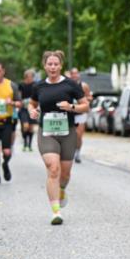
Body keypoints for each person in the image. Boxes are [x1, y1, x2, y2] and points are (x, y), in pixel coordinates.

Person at [30, 51, 89, 224]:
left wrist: (71, 106)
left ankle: (62, 189)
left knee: (64, 174)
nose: (53, 67)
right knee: (53, 168)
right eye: (50, 64)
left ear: (60, 66)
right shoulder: (39, 86)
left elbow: (85, 106)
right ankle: (56, 212)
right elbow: (32, 103)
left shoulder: (71, 85)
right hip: (47, 132)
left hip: (67, 132)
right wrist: (32, 111)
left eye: (56, 64)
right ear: (45, 66)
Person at [67, 68, 92, 163]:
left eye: (76, 73)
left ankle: (77, 153)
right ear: (70, 75)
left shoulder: (84, 86)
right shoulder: (67, 85)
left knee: (78, 135)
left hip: (80, 113)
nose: (74, 75)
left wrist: (84, 100)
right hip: (70, 113)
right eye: (72, 74)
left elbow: (90, 97)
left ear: (78, 75)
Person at [17, 69, 37, 152]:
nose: (30, 78)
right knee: (25, 126)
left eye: (31, 76)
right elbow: (19, 95)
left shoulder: (35, 85)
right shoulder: (21, 85)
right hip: (24, 109)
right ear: (25, 77)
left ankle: (30, 145)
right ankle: (25, 143)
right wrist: (20, 102)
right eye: (28, 76)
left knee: (31, 128)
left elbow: (37, 96)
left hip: (32, 108)